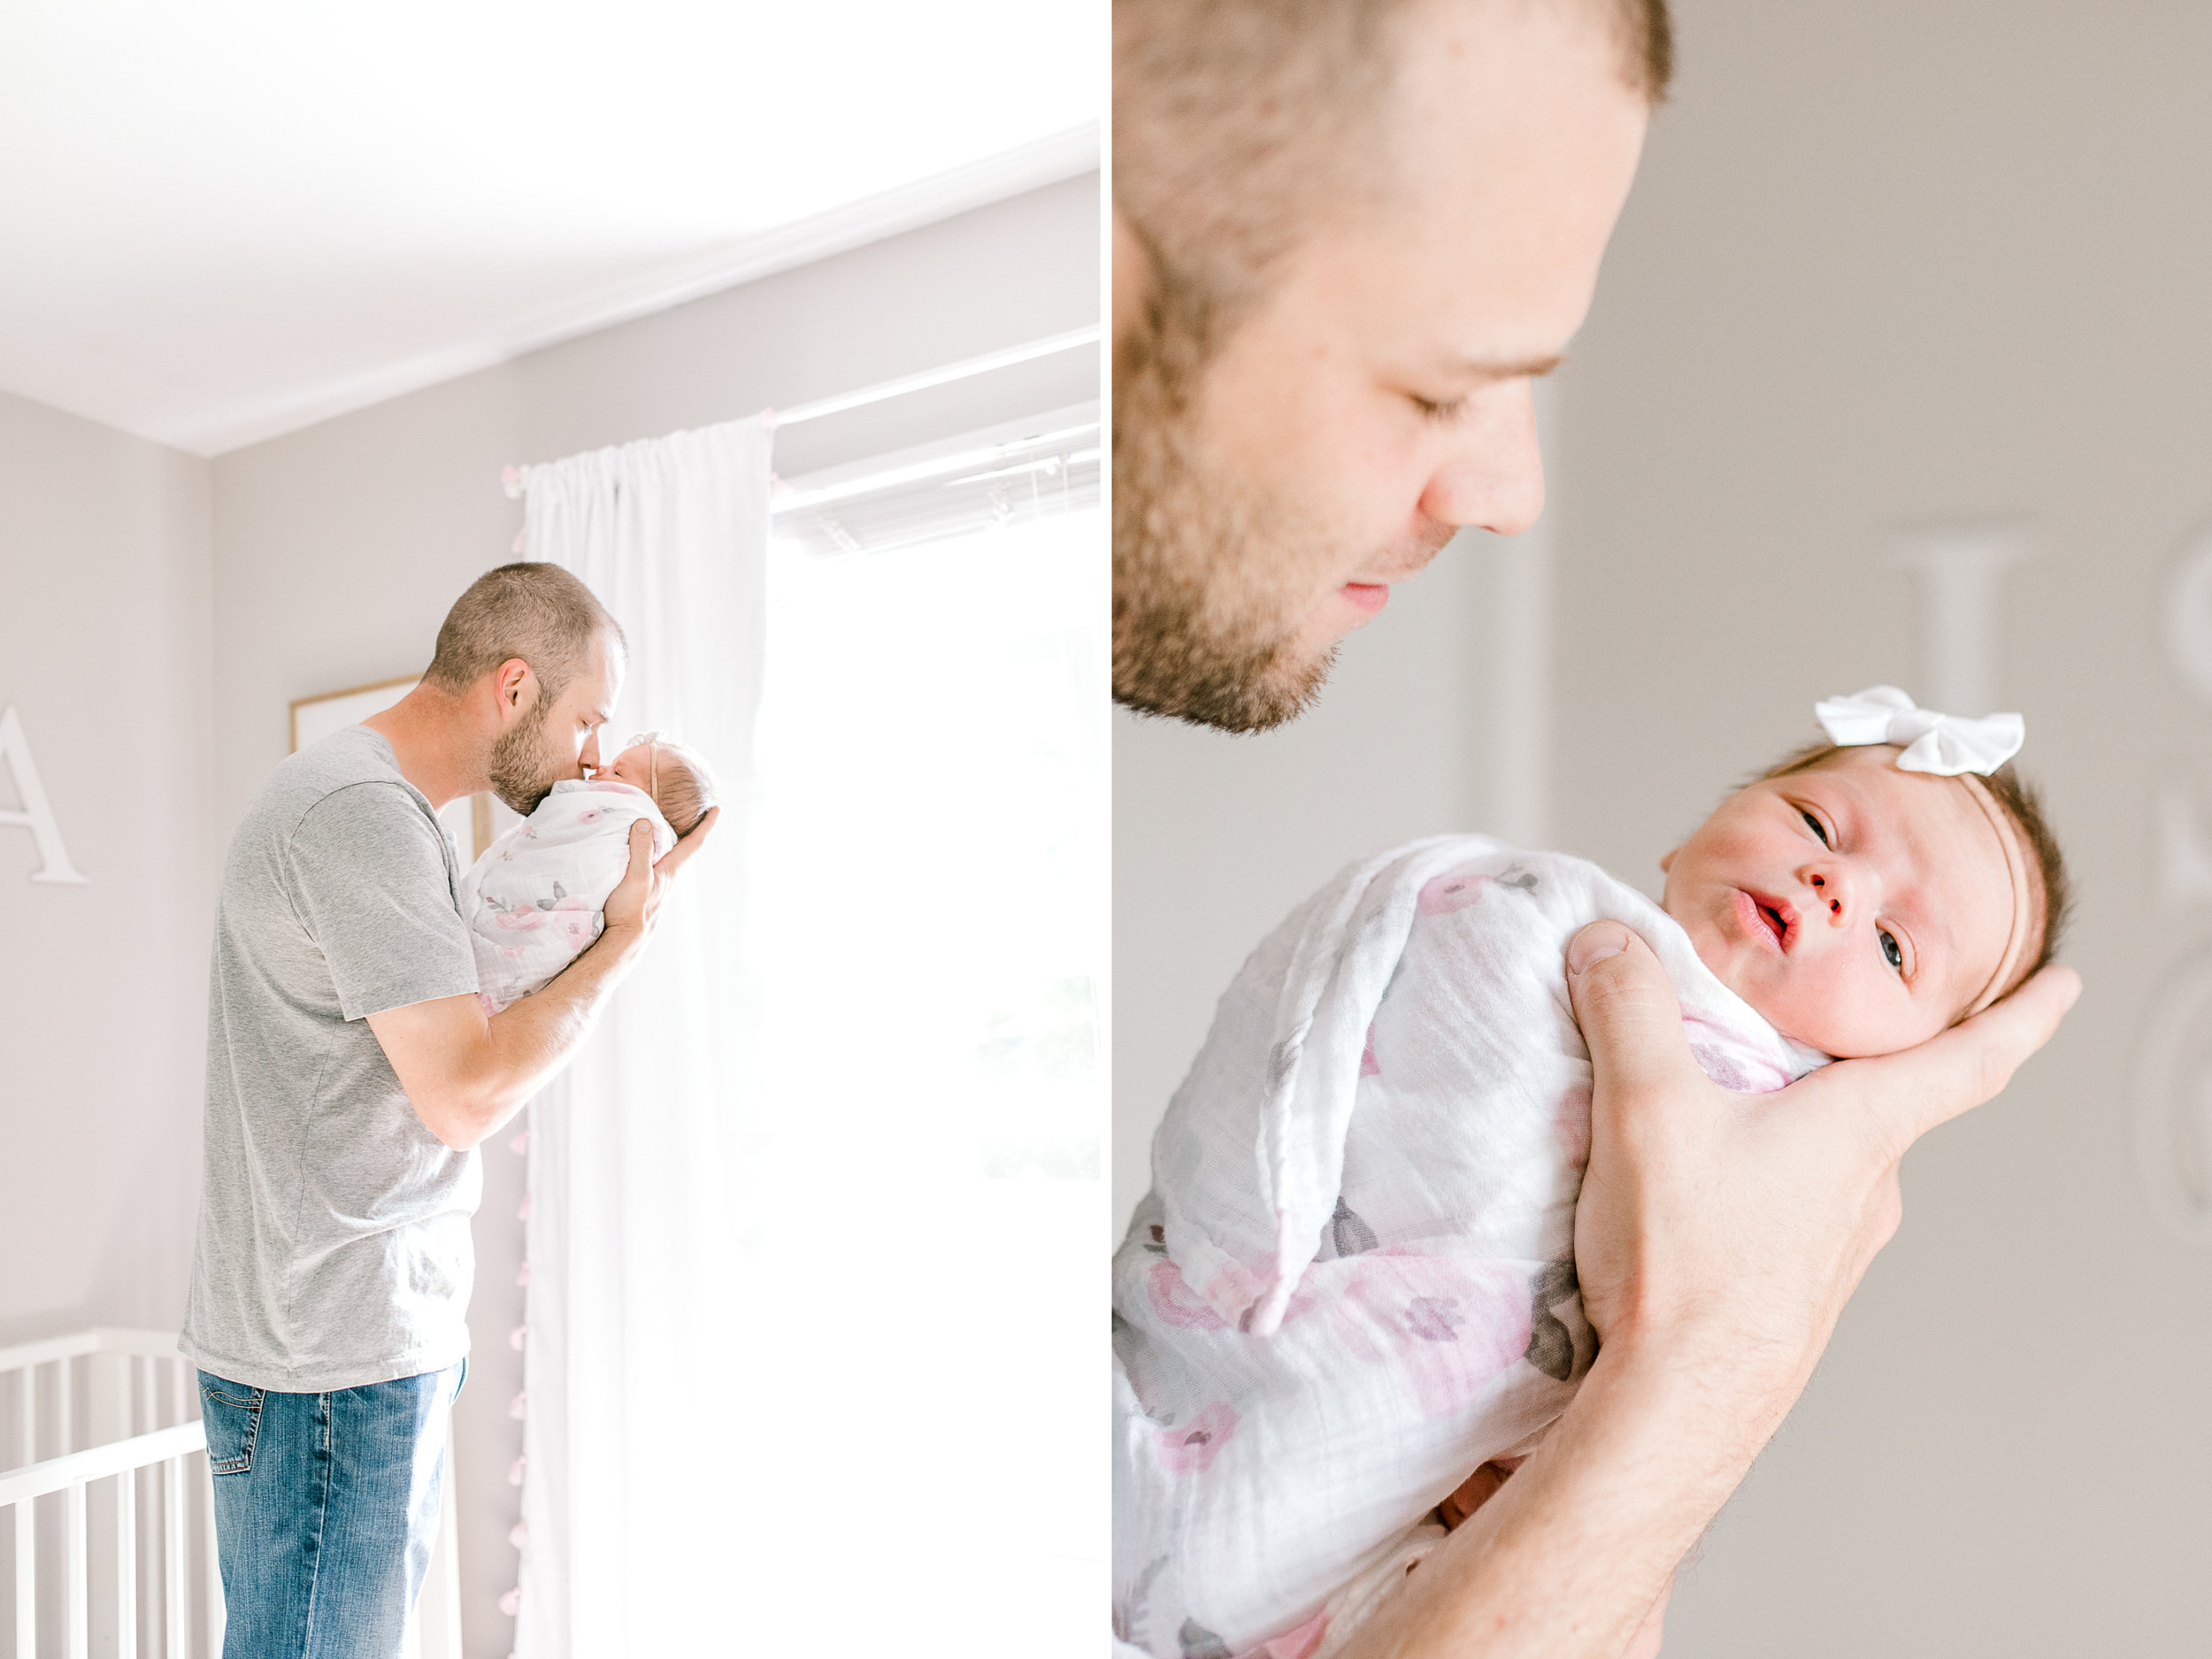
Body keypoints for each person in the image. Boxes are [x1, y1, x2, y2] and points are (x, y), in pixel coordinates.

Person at [1111, 2, 2080, 1654]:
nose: (1511, 493)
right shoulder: (1541, 931)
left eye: (1903, 944)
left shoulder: (1767, 1138)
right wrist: (1698, 1386)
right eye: (1444, 384)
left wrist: (1618, 1420)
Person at [1114, 694, 2069, 1657]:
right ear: (1686, 841)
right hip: (1229, 1328)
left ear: (1893, 1066)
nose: (1834, 882)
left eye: (1894, 946)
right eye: (1816, 824)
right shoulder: (1528, 913)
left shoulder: (1784, 1161)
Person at [180, 563, 715, 1658]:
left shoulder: (368, 805)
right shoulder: (361, 817)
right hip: (332, 1352)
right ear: (514, 691)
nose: (594, 758)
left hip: (332, 1339)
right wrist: (625, 941)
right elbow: (465, 1093)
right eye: (586, 721)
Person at [462, 730, 717, 1014]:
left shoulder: (630, 821)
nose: (599, 768)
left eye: (618, 772)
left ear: (648, 803)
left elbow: (592, 874)